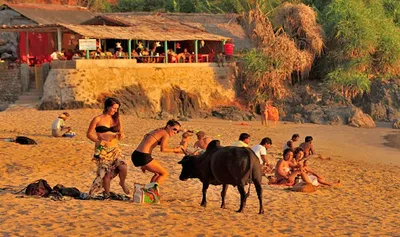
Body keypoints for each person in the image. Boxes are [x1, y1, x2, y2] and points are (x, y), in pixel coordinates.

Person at [86, 97, 129, 197]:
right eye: (114, 108)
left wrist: (121, 135)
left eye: (117, 109)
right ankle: (107, 194)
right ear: (107, 107)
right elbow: (89, 134)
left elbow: (121, 133)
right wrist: (99, 141)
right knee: (106, 174)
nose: (116, 110)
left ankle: (122, 182)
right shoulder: (98, 119)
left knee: (123, 167)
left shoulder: (116, 119)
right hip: (103, 150)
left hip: (115, 148)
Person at [131, 119, 184, 185]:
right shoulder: (165, 134)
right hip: (143, 156)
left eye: (178, 131)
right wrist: (175, 150)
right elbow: (163, 149)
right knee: (164, 173)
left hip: (136, 154)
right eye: (174, 129)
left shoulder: (157, 130)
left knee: (157, 173)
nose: (175, 132)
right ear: (168, 126)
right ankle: (151, 191)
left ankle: (149, 191)